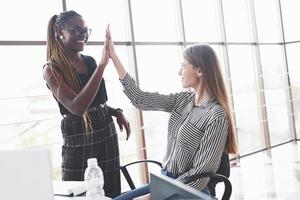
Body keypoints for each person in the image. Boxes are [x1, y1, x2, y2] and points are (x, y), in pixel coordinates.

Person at [104, 27, 238, 199]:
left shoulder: (216, 116)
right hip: (166, 180)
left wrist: (152, 197)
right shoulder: (183, 100)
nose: (178, 72)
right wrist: (114, 56)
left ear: (200, 71)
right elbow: (140, 99)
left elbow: (199, 178)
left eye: (183, 66)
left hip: (189, 191)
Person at [43, 10, 130, 198]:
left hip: (105, 128)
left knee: (110, 188)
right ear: (60, 31)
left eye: (85, 30)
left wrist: (116, 111)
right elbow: (77, 107)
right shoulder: (52, 69)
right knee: (76, 190)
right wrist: (102, 66)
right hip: (78, 132)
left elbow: (96, 102)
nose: (83, 35)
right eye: (76, 30)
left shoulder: (89, 61)